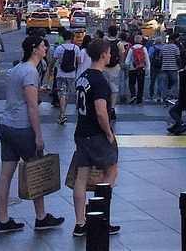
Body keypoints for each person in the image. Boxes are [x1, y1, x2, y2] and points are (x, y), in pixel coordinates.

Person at [0, 35, 63, 234]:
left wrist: (36, 91)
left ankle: (2, 218)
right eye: (43, 46)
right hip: (22, 128)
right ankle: (41, 216)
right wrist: (38, 135)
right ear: (35, 49)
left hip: (6, 125)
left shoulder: (17, 69)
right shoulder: (31, 72)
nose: (46, 48)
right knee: (36, 171)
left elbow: (20, 95)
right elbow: (32, 107)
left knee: (6, 174)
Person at [71, 38, 121, 238]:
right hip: (97, 134)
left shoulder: (83, 77)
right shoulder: (100, 80)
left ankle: (80, 222)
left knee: (81, 177)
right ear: (103, 55)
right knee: (110, 173)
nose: (110, 56)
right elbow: (101, 112)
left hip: (81, 131)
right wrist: (109, 132)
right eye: (109, 53)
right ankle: (101, 218)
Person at [53, 29, 84, 125]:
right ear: (71, 38)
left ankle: (62, 114)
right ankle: (63, 112)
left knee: (62, 93)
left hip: (61, 74)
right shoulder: (76, 48)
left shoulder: (59, 48)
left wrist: (50, 70)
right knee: (66, 93)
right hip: (71, 74)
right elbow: (79, 62)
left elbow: (54, 60)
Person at [126, 33, 148, 105]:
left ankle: (133, 94)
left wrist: (127, 68)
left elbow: (127, 60)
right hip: (142, 68)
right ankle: (139, 100)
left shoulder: (132, 48)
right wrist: (147, 68)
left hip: (133, 69)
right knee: (141, 85)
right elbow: (147, 59)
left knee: (131, 83)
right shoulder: (144, 48)